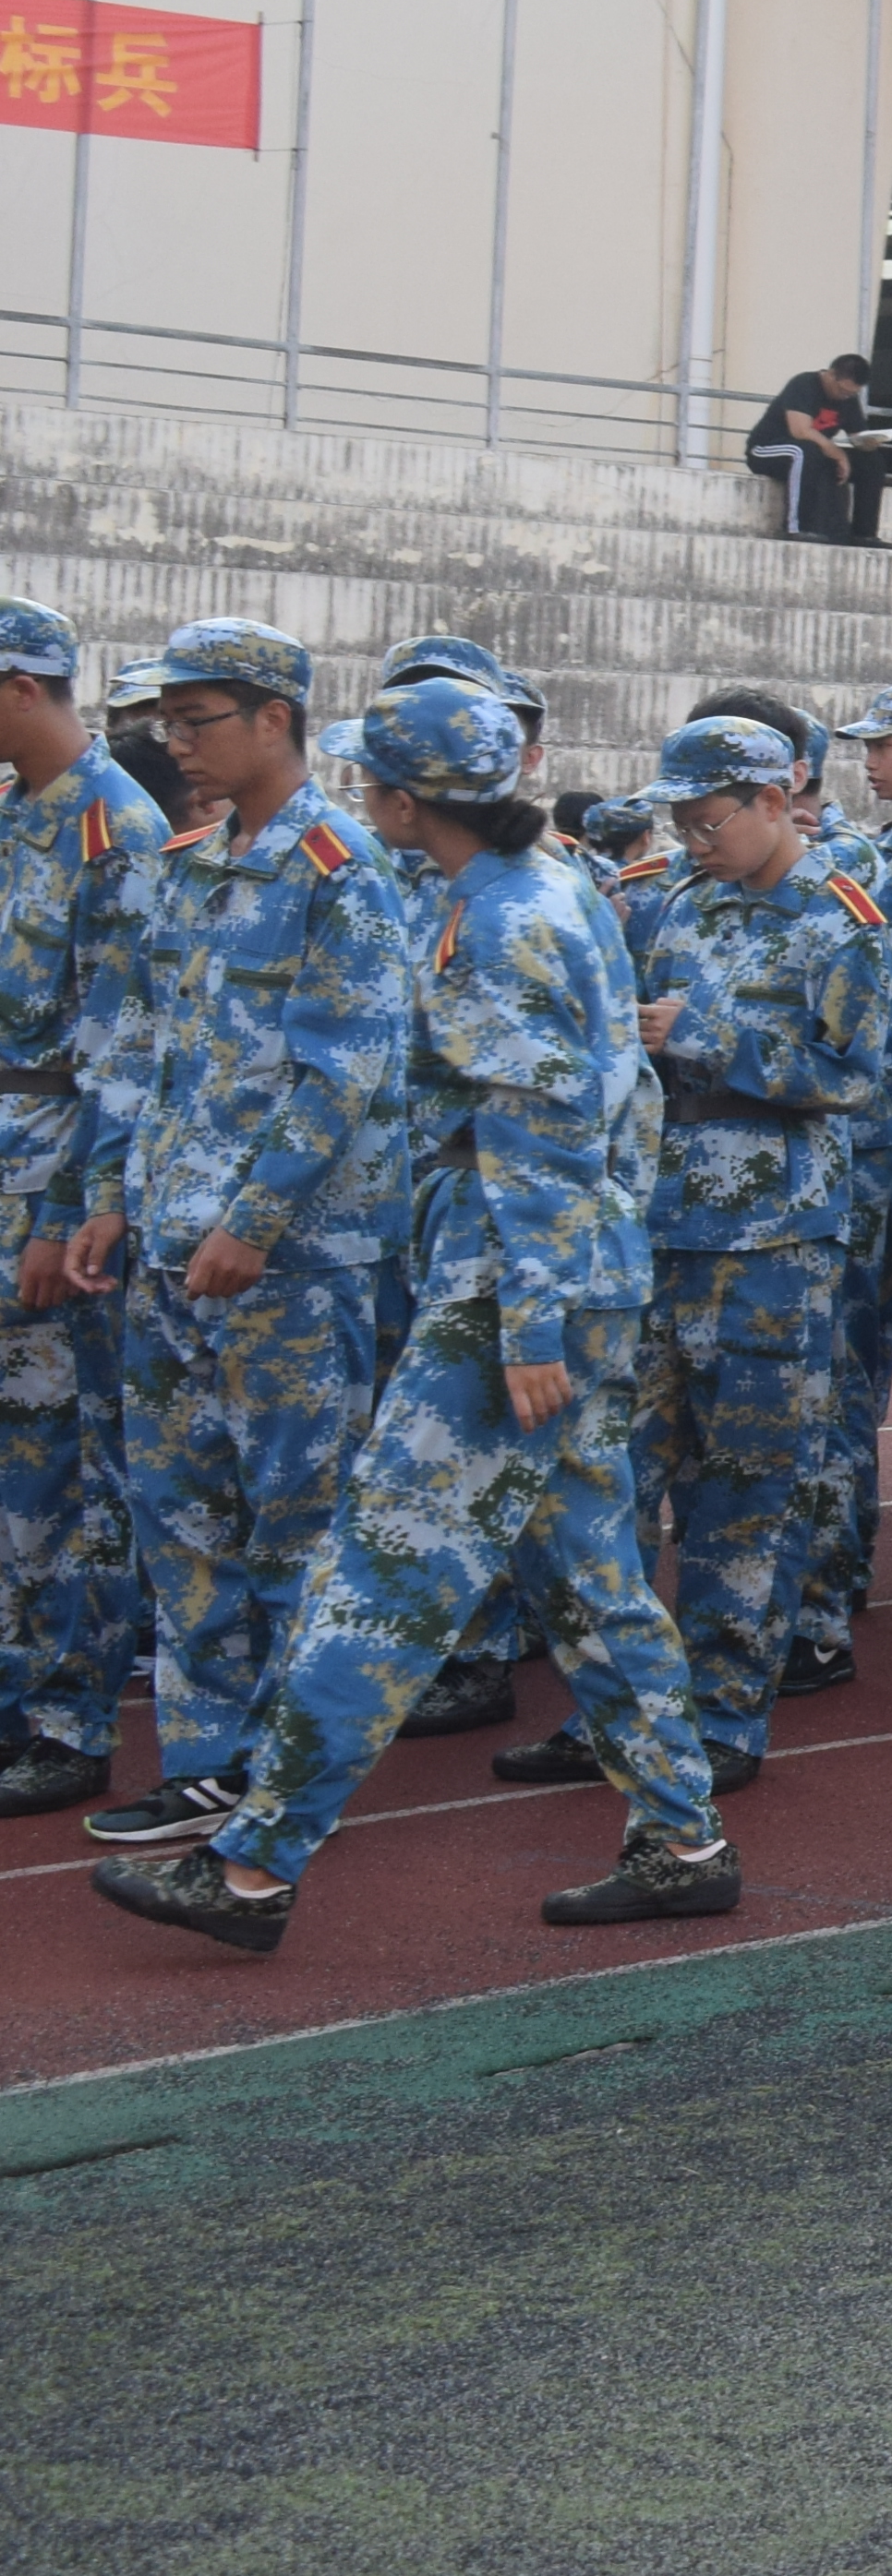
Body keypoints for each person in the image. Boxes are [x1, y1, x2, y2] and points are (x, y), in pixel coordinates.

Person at [90, 677, 739, 1953]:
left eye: (368, 780)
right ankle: (681, 1839)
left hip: (513, 1284)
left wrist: (532, 1326)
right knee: (593, 1577)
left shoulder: (501, 921)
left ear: (401, 796)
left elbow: (539, 1133)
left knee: (381, 1573)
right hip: (556, 1271)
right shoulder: (530, 892)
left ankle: (254, 1867)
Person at [67, 621, 417, 1853]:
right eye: (169, 723)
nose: (179, 744)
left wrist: (255, 1223)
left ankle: (290, 1775)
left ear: (277, 718)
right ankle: (208, 1763)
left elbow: (346, 1073)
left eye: (200, 719)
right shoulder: (193, 860)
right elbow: (156, 1060)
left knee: (293, 1519)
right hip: (170, 1243)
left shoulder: (339, 869)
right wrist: (113, 1196)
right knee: (183, 1520)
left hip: (282, 1262)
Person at [619, 714, 892, 1802]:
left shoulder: (843, 923)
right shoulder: (676, 905)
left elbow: (851, 1076)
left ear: (777, 800)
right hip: (660, 1223)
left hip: (772, 1242)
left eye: (709, 818)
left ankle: (727, 1711)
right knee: (626, 1477)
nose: (693, 838)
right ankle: (627, 1698)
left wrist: (704, 1039)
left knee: (745, 1487)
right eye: (680, 820)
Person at [0, 598, 168, 1817]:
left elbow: (123, 1054)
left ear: (20, 687)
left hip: (53, 1167)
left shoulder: (116, 830)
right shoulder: (18, 818)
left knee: (60, 1458)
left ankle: (66, 1715)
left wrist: (74, 1208)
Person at [747, 353, 881, 545]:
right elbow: (800, 431)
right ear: (831, 374)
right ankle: (797, 527)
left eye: (852, 394)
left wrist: (872, 442)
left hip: (814, 452)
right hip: (768, 449)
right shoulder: (804, 384)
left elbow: (857, 436)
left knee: (871, 462)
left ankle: (864, 533)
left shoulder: (848, 399)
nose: (846, 396)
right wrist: (837, 453)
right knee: (803, 451)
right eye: (843, 391)